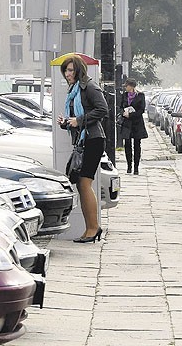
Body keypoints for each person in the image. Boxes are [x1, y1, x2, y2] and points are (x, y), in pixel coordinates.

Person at [57, 55, 108, 244]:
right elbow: (76, 119)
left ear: (79, 70)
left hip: (93, 140)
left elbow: (103, 110)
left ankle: (93, 228)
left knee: (84, 184)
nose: (67, 74)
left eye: (70, 70)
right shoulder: (74, 90)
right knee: (80, 184)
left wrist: (79, 120)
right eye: (65, 71)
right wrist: (66, 123)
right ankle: (91, 228)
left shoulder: (89, 87)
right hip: (83, 140)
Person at [119, 78, 148, 174]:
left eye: (126, 86)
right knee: (127, 145)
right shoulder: (124, 96)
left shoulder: (140, 96)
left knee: (137, 145)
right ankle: (129, 166)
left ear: (131, 86)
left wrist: (130, 115)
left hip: (137, 123)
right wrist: (123, 113)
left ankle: (136, 167)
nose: (125, 88)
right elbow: (120, 107)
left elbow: (141, 110)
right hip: (127, 123)